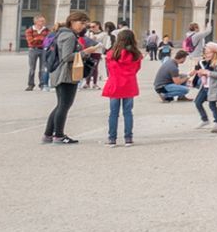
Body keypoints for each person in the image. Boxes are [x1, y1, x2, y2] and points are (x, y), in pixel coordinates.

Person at [42, 11, 92, 144]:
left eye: (85, 24)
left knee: (60, 105)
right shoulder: (69, 36)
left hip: (60, 73)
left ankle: (48, 134)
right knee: (64, 105)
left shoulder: (63, 33)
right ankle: (59, 135)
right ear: (72, 21)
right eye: (81, 23)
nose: (83, 26)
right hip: (66, 74)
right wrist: (85, 52)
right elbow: (67, 57)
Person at [103, 28, 144, 146]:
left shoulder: (112, 54)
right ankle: (128, 138)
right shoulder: (136, 55)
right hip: (129, 84)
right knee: (128, 112)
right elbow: (137, 69)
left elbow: (109, 69)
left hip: (115, 84)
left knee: (113, 113)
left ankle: (112, 138)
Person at [25, 16, 50, 90]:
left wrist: (37, 39)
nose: (43, 22)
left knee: (42, 68)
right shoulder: (30, 30)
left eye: (44, 21)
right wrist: (42, 39)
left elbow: (48, 40)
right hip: (33, 50)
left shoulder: (47, 30)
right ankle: (31, 84)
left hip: (43, 50)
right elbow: (30, 41)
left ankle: (42, 84)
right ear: (36, 22)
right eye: (41, 21)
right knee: (32, 68)